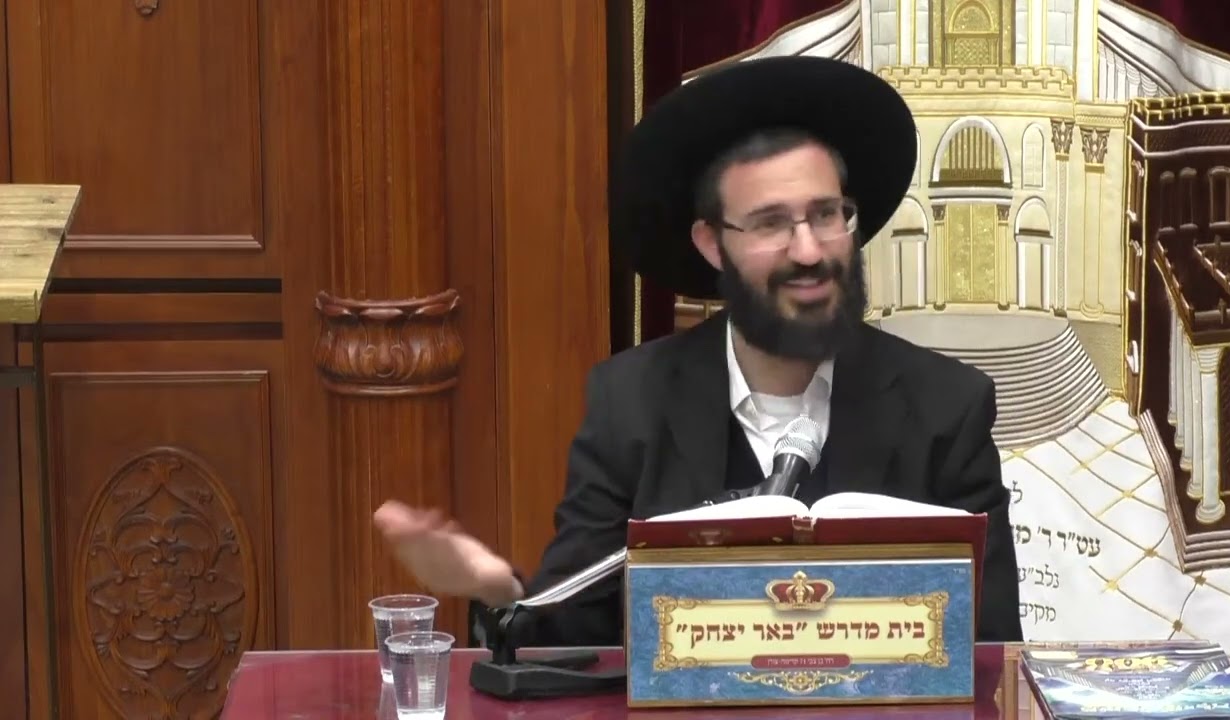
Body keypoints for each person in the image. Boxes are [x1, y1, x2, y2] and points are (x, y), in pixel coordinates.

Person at [374, 55, 1023, 646]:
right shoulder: (631, 402)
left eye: (826, 214)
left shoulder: (947, 406)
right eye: (771, 223)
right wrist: (496, 588)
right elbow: (568, 633)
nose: (808, 250)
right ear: (713, 244)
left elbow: (993, 652)